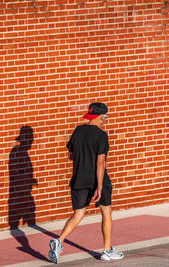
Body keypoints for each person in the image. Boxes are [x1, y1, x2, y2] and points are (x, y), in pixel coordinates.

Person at [48, 102, 124, 264]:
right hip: (97, 180)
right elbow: (100, 162)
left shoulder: (78, 131)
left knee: (78, 213)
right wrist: (100, 186)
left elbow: (71, 156)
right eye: (105, 117)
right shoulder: (101, 135)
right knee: (106, 213)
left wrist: (83, 158)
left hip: (79, 180)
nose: (105, 120)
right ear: (101, 116)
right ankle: (106, 250)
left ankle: (59, 241)